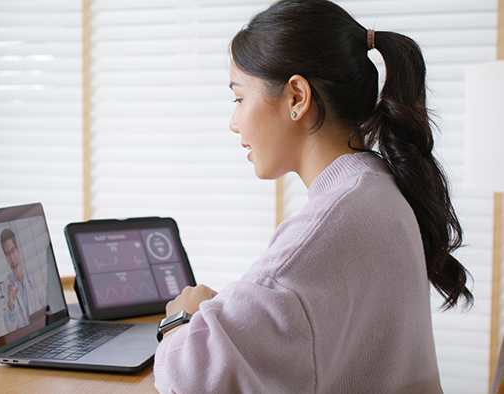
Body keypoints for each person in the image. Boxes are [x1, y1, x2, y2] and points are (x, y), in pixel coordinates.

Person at [153, 1, 473, 393]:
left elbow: (193, 379)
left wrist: (182, 318)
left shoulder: (327, 228)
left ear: (296, 98)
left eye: (239, 98)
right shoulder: (377, 186)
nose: (233, 121)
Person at [0, 228, 47, 332]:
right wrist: (10, 302)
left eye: (13, 251)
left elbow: (46, 306)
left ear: (18, 251)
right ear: (6, 259)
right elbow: (10, 329)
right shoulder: (6, 285)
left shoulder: (33, 276)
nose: (12, 258)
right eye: (8, 254)